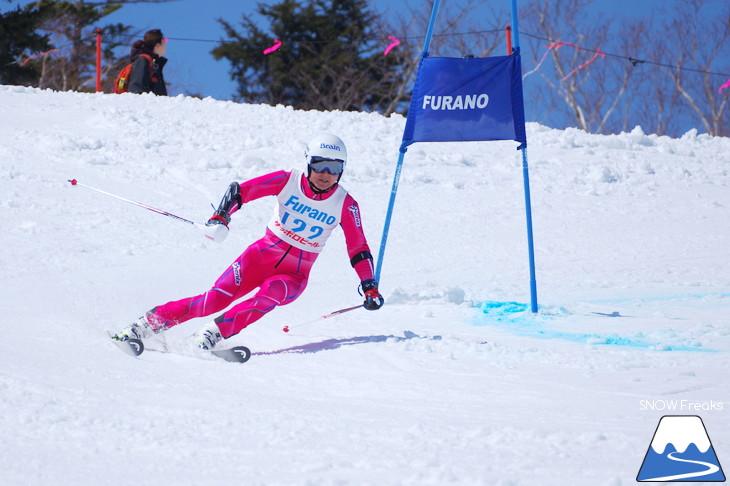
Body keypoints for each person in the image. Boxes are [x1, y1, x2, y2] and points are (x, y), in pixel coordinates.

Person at [112, 133, 384, 350]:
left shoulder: (345, 204)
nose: (326, 173)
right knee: (213, 300)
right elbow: (241, 191)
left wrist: (369, 285)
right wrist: (221, 217)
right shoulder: (288, 180)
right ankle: (145, 325)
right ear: (308, 163)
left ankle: (212, 334)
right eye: (319, 165)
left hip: (294, 275)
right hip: (259, 257)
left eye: (334, 167)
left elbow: (358, 248)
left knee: (269, 296)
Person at [127, 29, 168, 95]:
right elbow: (136, 89)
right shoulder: (143, 60)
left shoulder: (155, 63)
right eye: (165, 41)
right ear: (158, 45)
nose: (166, 44)